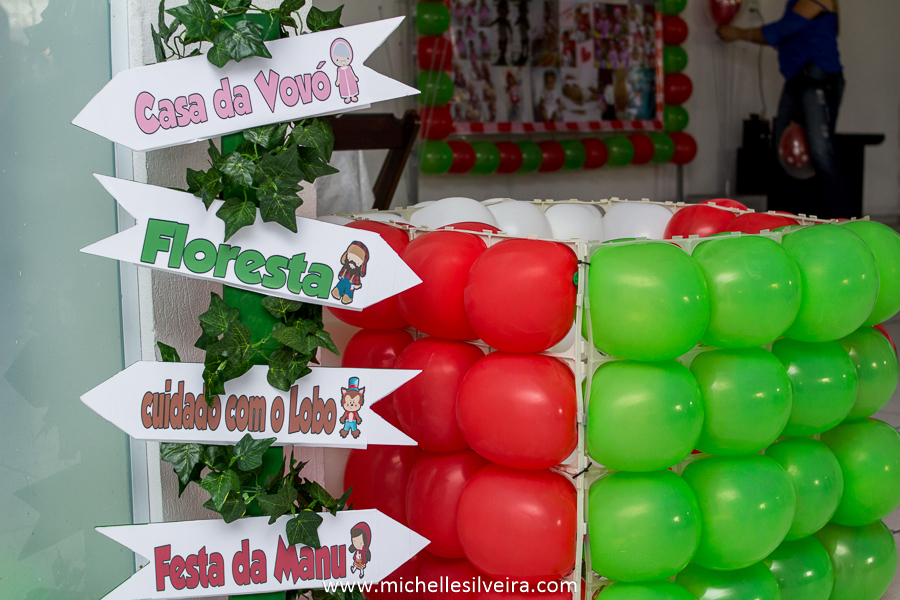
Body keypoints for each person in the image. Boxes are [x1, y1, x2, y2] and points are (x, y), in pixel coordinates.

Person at [716, 0, 848, 218]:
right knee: (785, 155)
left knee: (821, 153)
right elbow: (782, 35)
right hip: (796, 80)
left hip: (818, 79)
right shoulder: (794, 2)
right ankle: (799, 220)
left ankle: (843, 221)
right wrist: (739, 34)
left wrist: (738, 33)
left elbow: (781, 30)